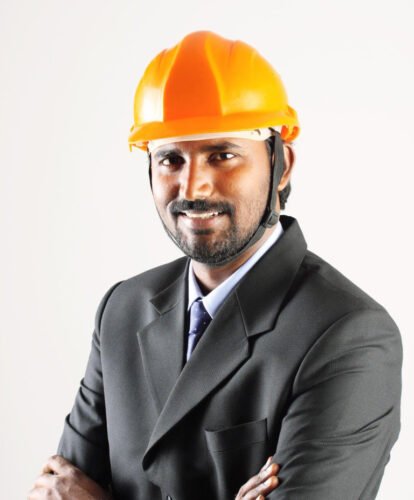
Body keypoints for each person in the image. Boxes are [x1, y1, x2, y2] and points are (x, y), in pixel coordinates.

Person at [28, 31, 402, 500]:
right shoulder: (122, 310)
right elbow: (56, 489)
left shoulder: (347, 335)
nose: (193, 188)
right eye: (170, 158)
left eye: (222, 155)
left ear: (282, 165)